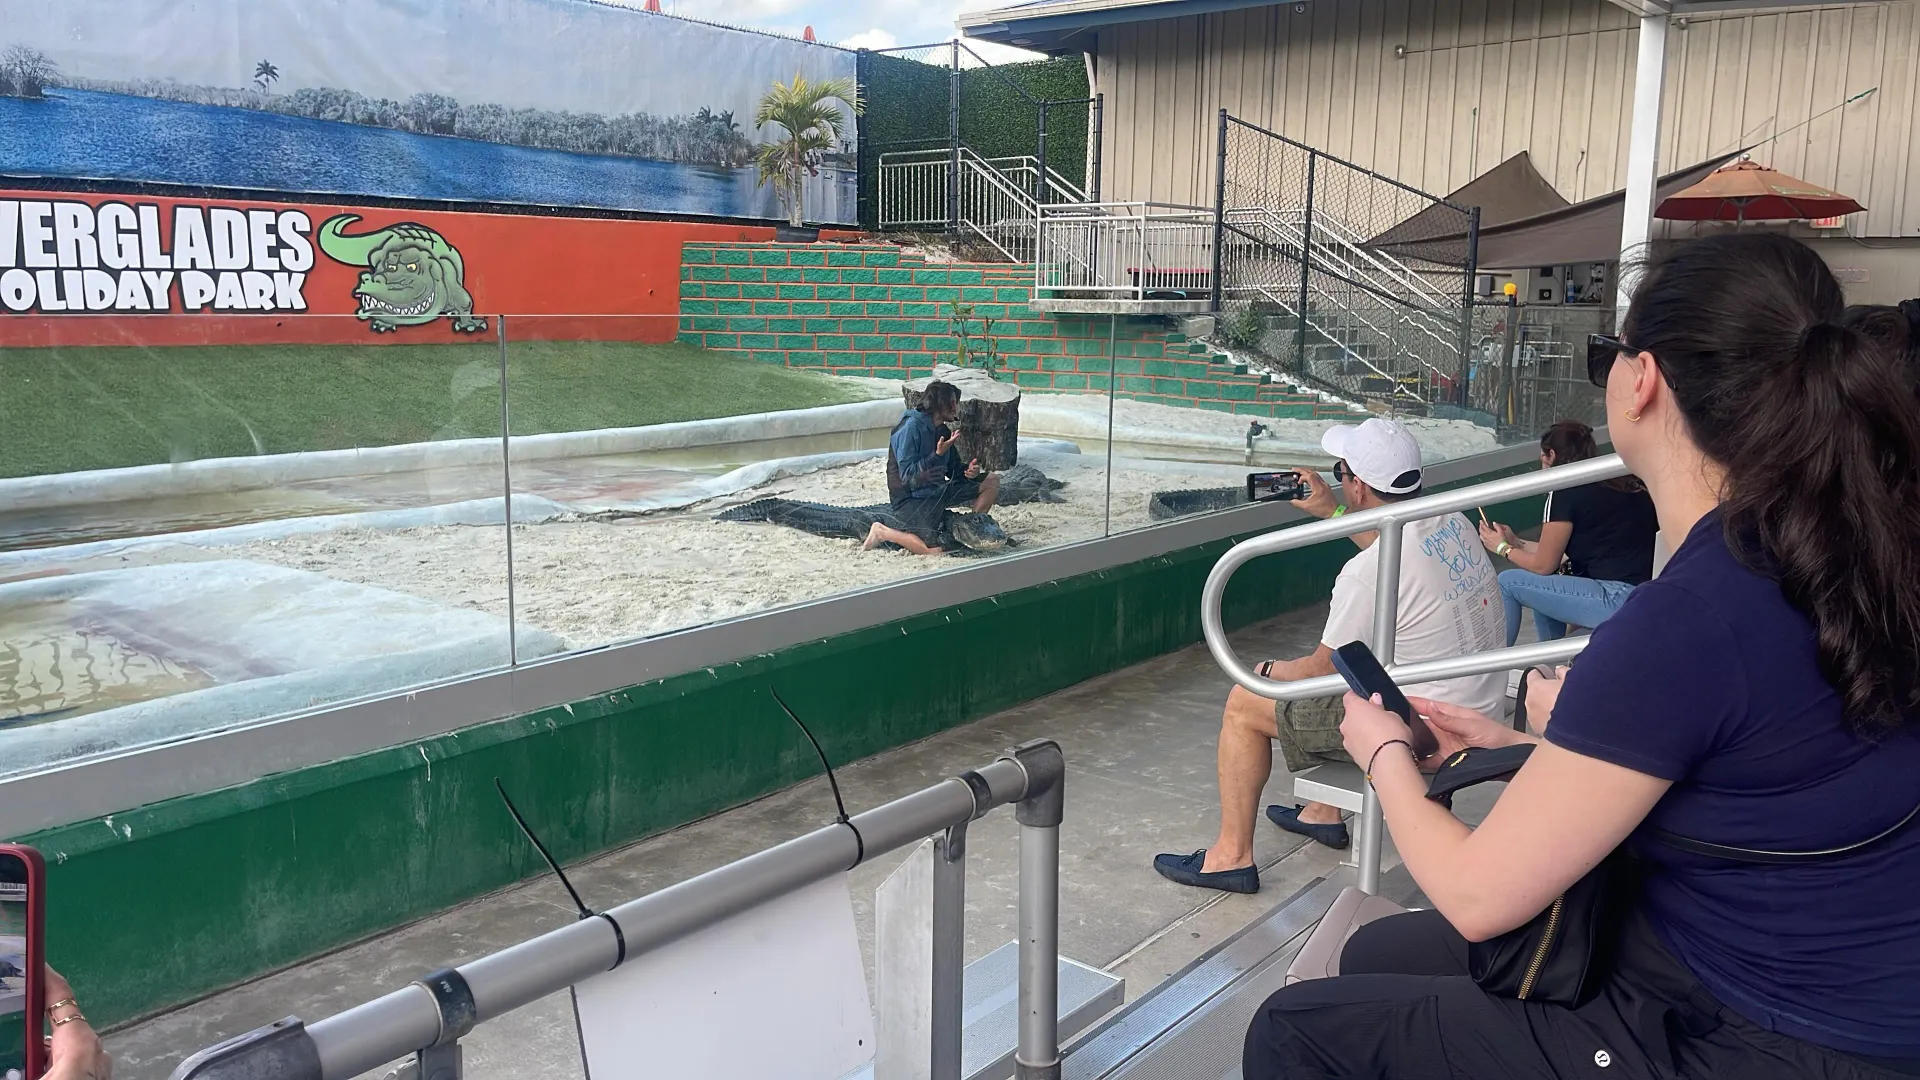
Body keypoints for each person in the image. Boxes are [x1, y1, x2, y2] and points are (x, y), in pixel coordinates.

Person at [1243, 234, 1920, 1077]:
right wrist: (1535, 751)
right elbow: (1758, 773)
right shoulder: (1848, 550)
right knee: (1385, 952)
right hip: (1826, 982)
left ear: (1642, 382)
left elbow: (1478, 895)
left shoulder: (1691, 616)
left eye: (1611, 351)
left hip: (1755, 1032)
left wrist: (1383, 753)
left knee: (1293, 1027)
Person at [1153, 417, 1505, 893]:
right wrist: (1330, 512)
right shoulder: (1451, 522)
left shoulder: (1364, 575)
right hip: (1477, 710)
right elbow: (1392, 550)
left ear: (1357, 485)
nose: (1338, 479)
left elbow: (1321, 669)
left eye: (1340, 471)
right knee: (1372, 660)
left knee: (1245, 702)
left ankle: (1229, 857)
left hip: (1425, 733)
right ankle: (1322, 812)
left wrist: (1269, 673)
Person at [1478, 419, 1658, 645]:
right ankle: (1553, 665)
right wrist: (1516, 542)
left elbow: (1544, 565)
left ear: (1551, 455)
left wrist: (1502, 548)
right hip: (1645, 593)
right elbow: (1555, 555)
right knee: (1547, 581)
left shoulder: (1564, 490)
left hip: (1615, 598)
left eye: (1541, 459)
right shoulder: (1617, 480)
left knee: (1507, 582)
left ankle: (1490, 671)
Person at [867, 381, 1000, 555]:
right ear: (939, 404)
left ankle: (971, 530)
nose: (955, 407)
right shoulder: (910, 427)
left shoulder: (942, 430)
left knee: (992, 481)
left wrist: (969, 471)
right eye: (952, 402)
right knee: (934, 549)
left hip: (936, 492)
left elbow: (954, 471)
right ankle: (880, 531)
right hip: (910, 499)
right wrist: (935, 456)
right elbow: (906, 478)